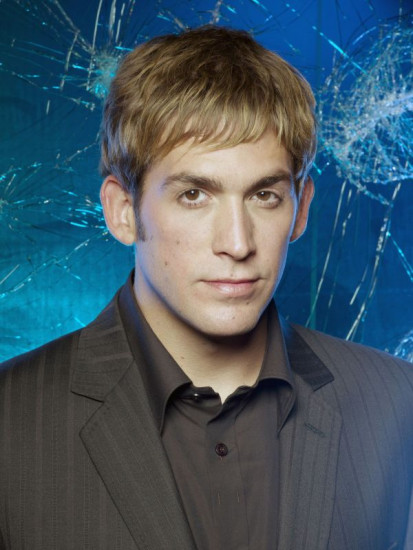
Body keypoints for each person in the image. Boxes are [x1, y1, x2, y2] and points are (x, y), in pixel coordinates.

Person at [0, 25, 412, 550]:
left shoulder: (399, 406)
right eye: (194, 195)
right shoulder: (10, 420)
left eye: (264, 195)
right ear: (122, 211)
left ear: (301, 208)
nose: (237, 243)